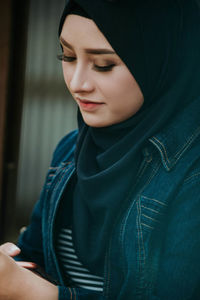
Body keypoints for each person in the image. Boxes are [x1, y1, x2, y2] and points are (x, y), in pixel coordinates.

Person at [0, 0, 200, 299]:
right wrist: (10, 267)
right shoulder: (71, 150)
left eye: (103, 65)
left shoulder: (191, 173)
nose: (77, 83)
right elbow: (33, 255)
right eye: (66, 56)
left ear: (162, 63)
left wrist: (36, 292)